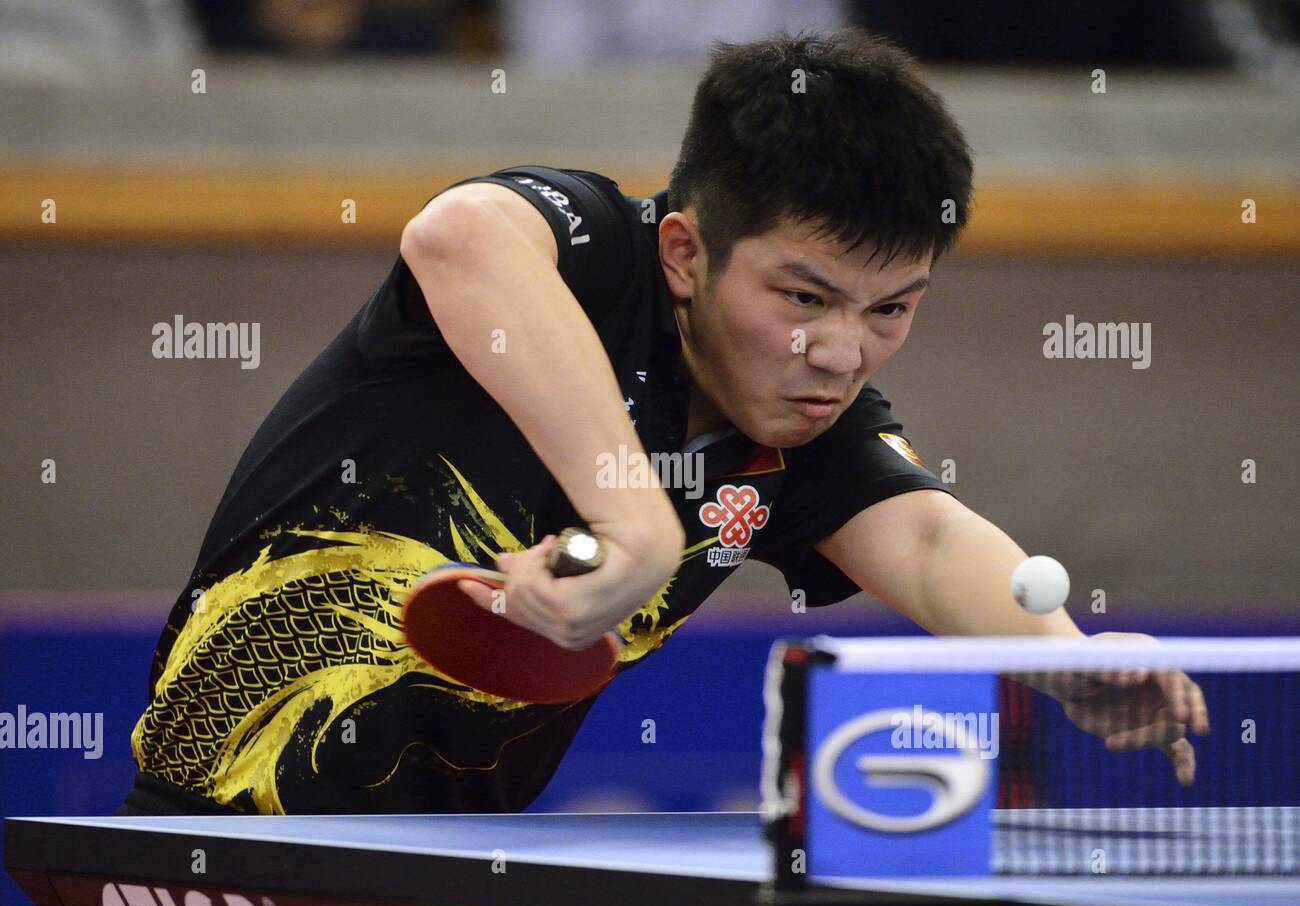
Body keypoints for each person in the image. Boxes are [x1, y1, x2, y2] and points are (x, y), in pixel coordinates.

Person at [120, 29, 1208, 817]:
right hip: (206, 845)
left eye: (891, 310)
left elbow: (922, 536)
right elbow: (456, 232)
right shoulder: (592, 255)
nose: (840, 352)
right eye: (802, 298)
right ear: (687, 253)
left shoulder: (798, 431)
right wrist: (635, 523)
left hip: (441, 868)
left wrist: (1064, 663)